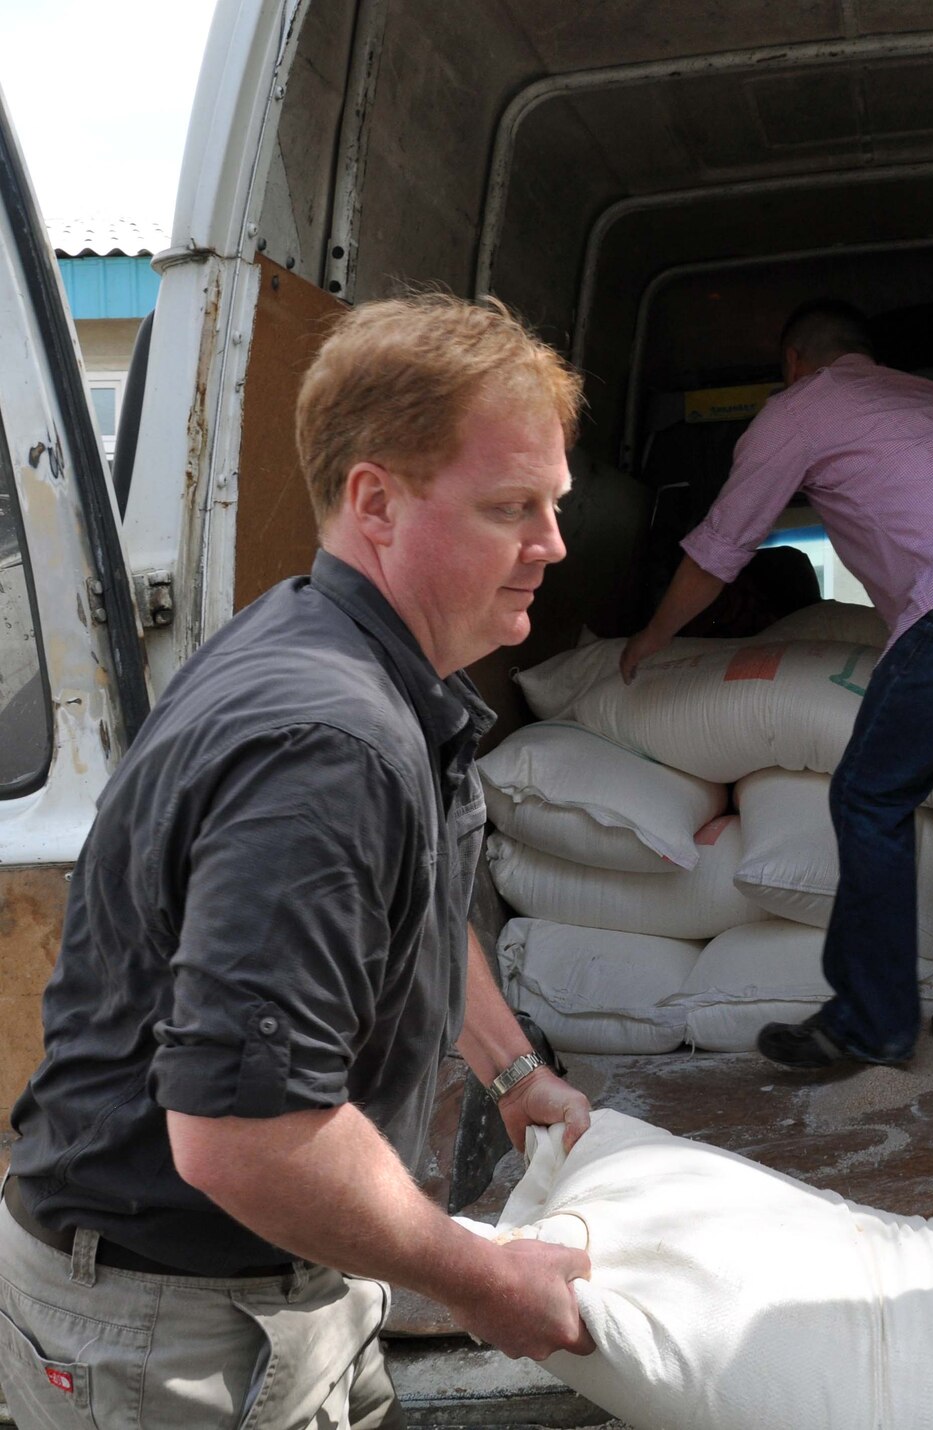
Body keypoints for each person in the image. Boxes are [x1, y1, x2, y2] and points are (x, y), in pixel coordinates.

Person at [0, 294, 598, 1429]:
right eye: (512, 506)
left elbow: (398, 916)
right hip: (172, 1331)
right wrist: (481, 1282)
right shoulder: (326, 744)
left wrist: (514, 1072)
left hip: (281, 1285)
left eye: (552, 505)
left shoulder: (352, 657)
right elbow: (244, 1137)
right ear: (375, 499)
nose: (553, 545)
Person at [619, 300, 933, 1069]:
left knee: (868, 795)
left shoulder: (801, 409)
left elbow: (722, 546)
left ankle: (869, 1021)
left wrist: (652, 635)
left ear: (793, 363)